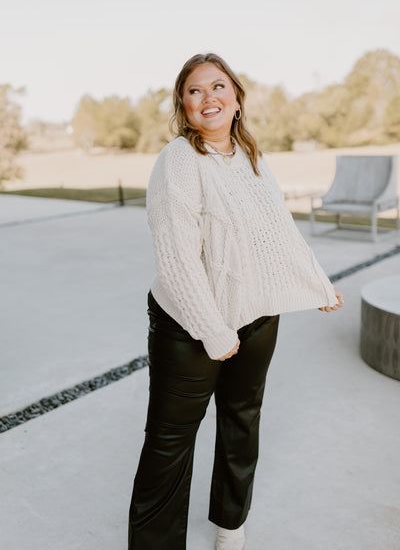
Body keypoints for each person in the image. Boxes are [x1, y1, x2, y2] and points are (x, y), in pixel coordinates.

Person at [128, 53, 344, 550]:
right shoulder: (178, 161)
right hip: (189, 324)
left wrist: (316, 281)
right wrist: (214, 330)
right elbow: (176, 259)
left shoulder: (252, 157)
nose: (209, 98)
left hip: (256, 315)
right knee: (169, 443)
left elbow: (277, 231)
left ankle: (230, 523)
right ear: (183, 106)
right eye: (195, 90)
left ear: (237, 99)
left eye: (219, 87)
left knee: (243, 418)